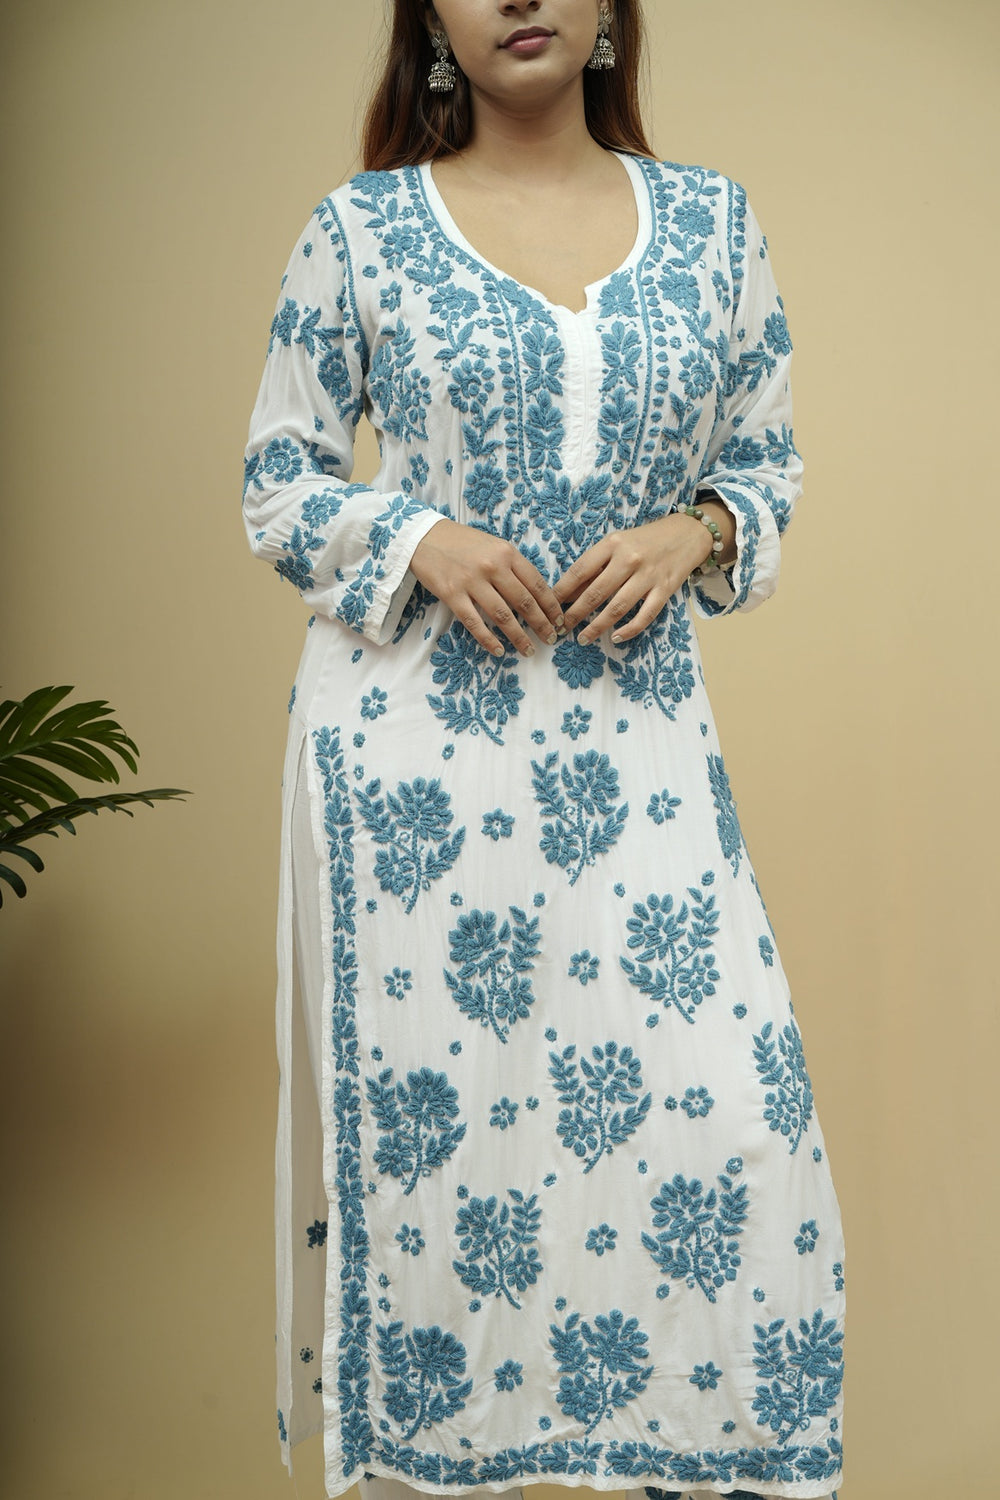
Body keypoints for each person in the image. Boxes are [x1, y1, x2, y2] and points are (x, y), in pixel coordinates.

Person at [243, 3, 845, 1499]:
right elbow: (278, 481)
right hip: (414, 781)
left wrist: (696, 530)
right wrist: (420, 537)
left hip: (639, 749)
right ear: (433, 23)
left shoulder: (713, 226)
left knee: (738, 1127)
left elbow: (765, 461)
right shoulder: (362, 232)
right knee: (451, 1172)